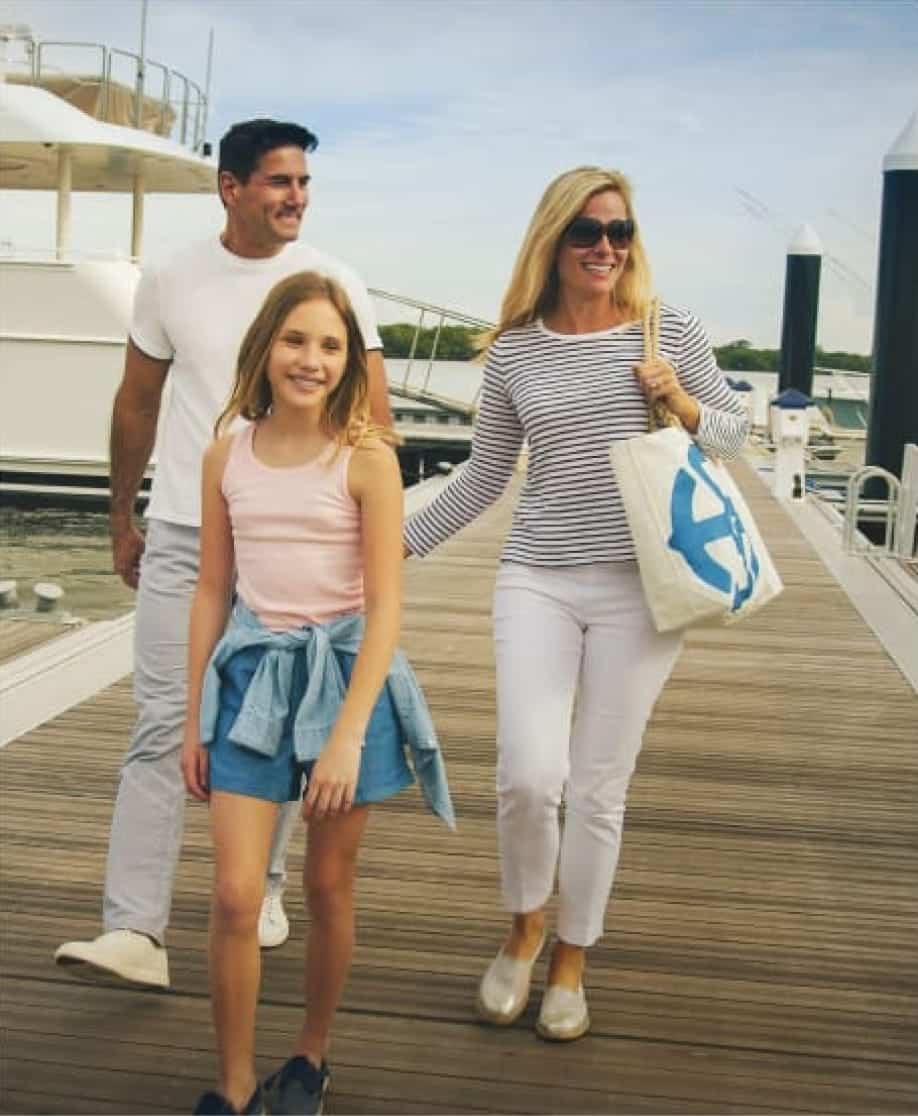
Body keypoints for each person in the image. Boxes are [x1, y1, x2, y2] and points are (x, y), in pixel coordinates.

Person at [403, 166, 749, 1041]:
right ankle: (523, 927)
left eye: (620, 231)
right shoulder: (516, 349)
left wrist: (673, 395)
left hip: (645, 586)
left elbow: (738, 435)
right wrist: (392, 546)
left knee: (597, 790)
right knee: (529, 775)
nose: (605, 248)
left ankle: (571, 957)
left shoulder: (671, 331)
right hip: (539, 578)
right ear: (553, 242)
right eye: (587, 232)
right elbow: (485, 474)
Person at [55, 118, 394, 990]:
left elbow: (374, 424)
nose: (296, 198)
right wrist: (119, 517)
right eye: (279, 181)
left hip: (294, 544)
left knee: (279, 724)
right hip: (182, 527)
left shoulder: (332, 283)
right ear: (231, 187)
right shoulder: (172, 276)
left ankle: (270, 882)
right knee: (166, 720)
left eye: (304, 183)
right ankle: (134, 926)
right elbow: (136, 403)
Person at [182, 271, 452, 1116]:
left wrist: (347, 733)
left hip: (345, 682)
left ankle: (309, 1054)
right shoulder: (227, 452)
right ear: (266, 347)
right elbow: (210, 589)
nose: (312, 359)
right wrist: (194, 715)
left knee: (329, 884)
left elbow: (386, 606)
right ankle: (231, 1083)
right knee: (233, 893)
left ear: (348, 361)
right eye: (296, 340)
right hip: (255, 679)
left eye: (331, 345)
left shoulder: (368, 459)